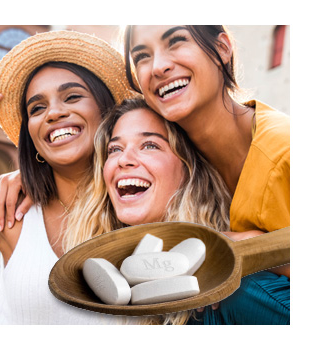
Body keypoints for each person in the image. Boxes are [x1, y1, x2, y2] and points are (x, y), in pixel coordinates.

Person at [123, 25, 290, 324]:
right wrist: (33, 173)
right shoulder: (177, 159)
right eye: (142, 56)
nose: (159, 66)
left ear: (222, 49)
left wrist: (253, 246)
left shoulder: (287, 153)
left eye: (176, 41)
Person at [0, 30, 142, 325]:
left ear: (108, 111)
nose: (54, 113)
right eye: (37, 108)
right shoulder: (8, 211)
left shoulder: (148, 205)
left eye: (72, 96)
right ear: (31, 135)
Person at [64, 97, 231, 324]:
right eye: (114, 149)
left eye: (150, 145)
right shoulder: (92, 281)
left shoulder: (235, 287)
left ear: (190, 167)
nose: (124, 159)